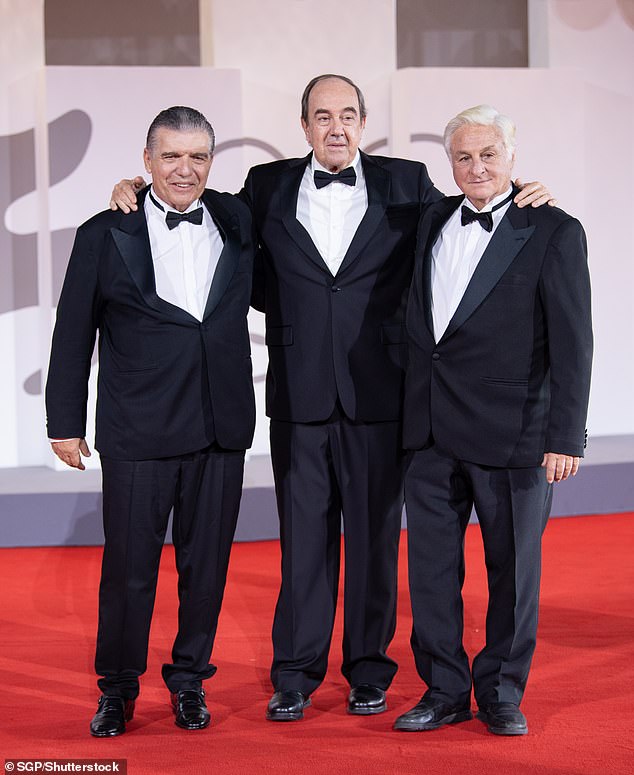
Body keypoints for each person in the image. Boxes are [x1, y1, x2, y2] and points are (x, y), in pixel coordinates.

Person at [108, 75, 553, 722]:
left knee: (374, 543)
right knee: (303, 543)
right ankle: (295, 673)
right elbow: (195, 203)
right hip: (300, 393)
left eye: (347, 114)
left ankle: (369, 671)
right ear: (305, 125)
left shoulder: (408, 182)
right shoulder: (265, 186)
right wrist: (132, 189)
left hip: (383, 394)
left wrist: (525, 195)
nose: (336, 126)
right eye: (323, 115)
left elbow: (470, 213)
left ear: (364, 121)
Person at [46, 106, 256, 737]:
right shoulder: (103, 233)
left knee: (207, 568)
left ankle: (190, 680)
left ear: (212, 164)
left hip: (220, 426)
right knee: (129, 569)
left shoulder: (239, 218)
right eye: (170, 156)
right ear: (146, 162)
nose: (184, 169)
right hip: (137, 429)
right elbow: (72, 334)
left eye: (197, 157)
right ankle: (118, 688)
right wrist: (64, 420)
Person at [393, 104, 592, 736]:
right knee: (430, 573)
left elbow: (574, 341)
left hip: (516, 434)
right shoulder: (427, 220)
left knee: (512, 574)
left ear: (512, 157)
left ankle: (502, 691)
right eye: (463, 156)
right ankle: (443, 689)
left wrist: (566, 434)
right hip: (428, 433)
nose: (476, 167)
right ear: (447, 163)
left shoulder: (554, 230)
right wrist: (133, 190)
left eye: (488, 155)